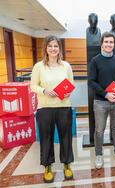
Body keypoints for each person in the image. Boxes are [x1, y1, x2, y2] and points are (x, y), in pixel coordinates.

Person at [30, 35, 74, 183]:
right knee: (46, 138)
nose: (53, 49)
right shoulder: (38, 66)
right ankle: (47, 166)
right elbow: (33, 86)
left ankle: (67, 164)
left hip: (64, 107)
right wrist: (44, 91)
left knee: (66, 137)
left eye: (56, 46)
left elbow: (70, 84)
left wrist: (68, 92)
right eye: (50, 46)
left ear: (59, 49)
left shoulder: (66, 66)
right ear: (46, 49)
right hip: (45, 108)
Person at [88, 32, 115, 169]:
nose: (109, 44)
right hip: (101, 102)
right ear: (102, 44)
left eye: (111, 42)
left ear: (114, 44)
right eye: (106, 42)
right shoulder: (95, 61)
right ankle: (99, 155)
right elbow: (91, 82)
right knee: (99, 130)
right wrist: (105, 94)